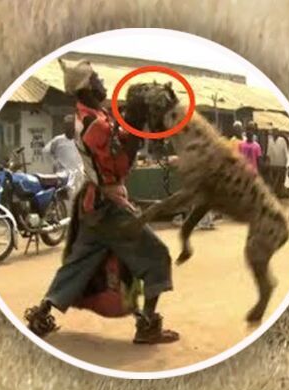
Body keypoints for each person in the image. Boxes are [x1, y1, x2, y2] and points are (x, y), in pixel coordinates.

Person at [23, 59, 179, 344]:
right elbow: (119, 166)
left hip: (94, 205)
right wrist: (135, 124)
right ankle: (147, 326)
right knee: (156, 255)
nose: (103, 82)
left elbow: (118, 143)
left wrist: (133, 122)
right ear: (87, 88)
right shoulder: (94, 124)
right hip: (107, 206)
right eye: (97, 79)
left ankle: (40, 314)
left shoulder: (95, 115)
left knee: (79, 263)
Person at [43, 115, 83, 212]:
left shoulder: (80, 140)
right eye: (67, 125)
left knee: (79, 202)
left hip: (78, 177)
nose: (69, 128)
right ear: (64, 127)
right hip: (63, 176)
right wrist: (54, 163)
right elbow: (46, 151)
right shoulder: (58, 140)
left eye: (71, 125)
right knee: (65, 203)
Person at [265, 130, 288, 197]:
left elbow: (286, 152)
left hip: (281, 164)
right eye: (273, 132)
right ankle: (275, 193)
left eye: (276, 132)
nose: (274, 133)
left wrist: (287, 164)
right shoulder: (270, 140)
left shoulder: (282, 140)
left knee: (280, 180)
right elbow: (268, 152)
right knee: (273, 180)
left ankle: (279, 193)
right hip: (273, 164)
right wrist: (268, 162)